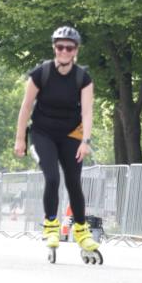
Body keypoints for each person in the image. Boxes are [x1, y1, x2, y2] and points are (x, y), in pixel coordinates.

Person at [14, 26, 102, 262]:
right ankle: (51, 225)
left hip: (72, 134)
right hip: (43, 133)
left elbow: (87, 112)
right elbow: (26, 107)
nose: (64, 51)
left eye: (69, 47)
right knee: (52, 177)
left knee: (74, 182)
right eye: (60, 46)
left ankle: (82, 232)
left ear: (76, 51)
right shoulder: (40, 73)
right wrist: (20, 138)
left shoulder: (82, 78)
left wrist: (86, 141)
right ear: (54, 48)